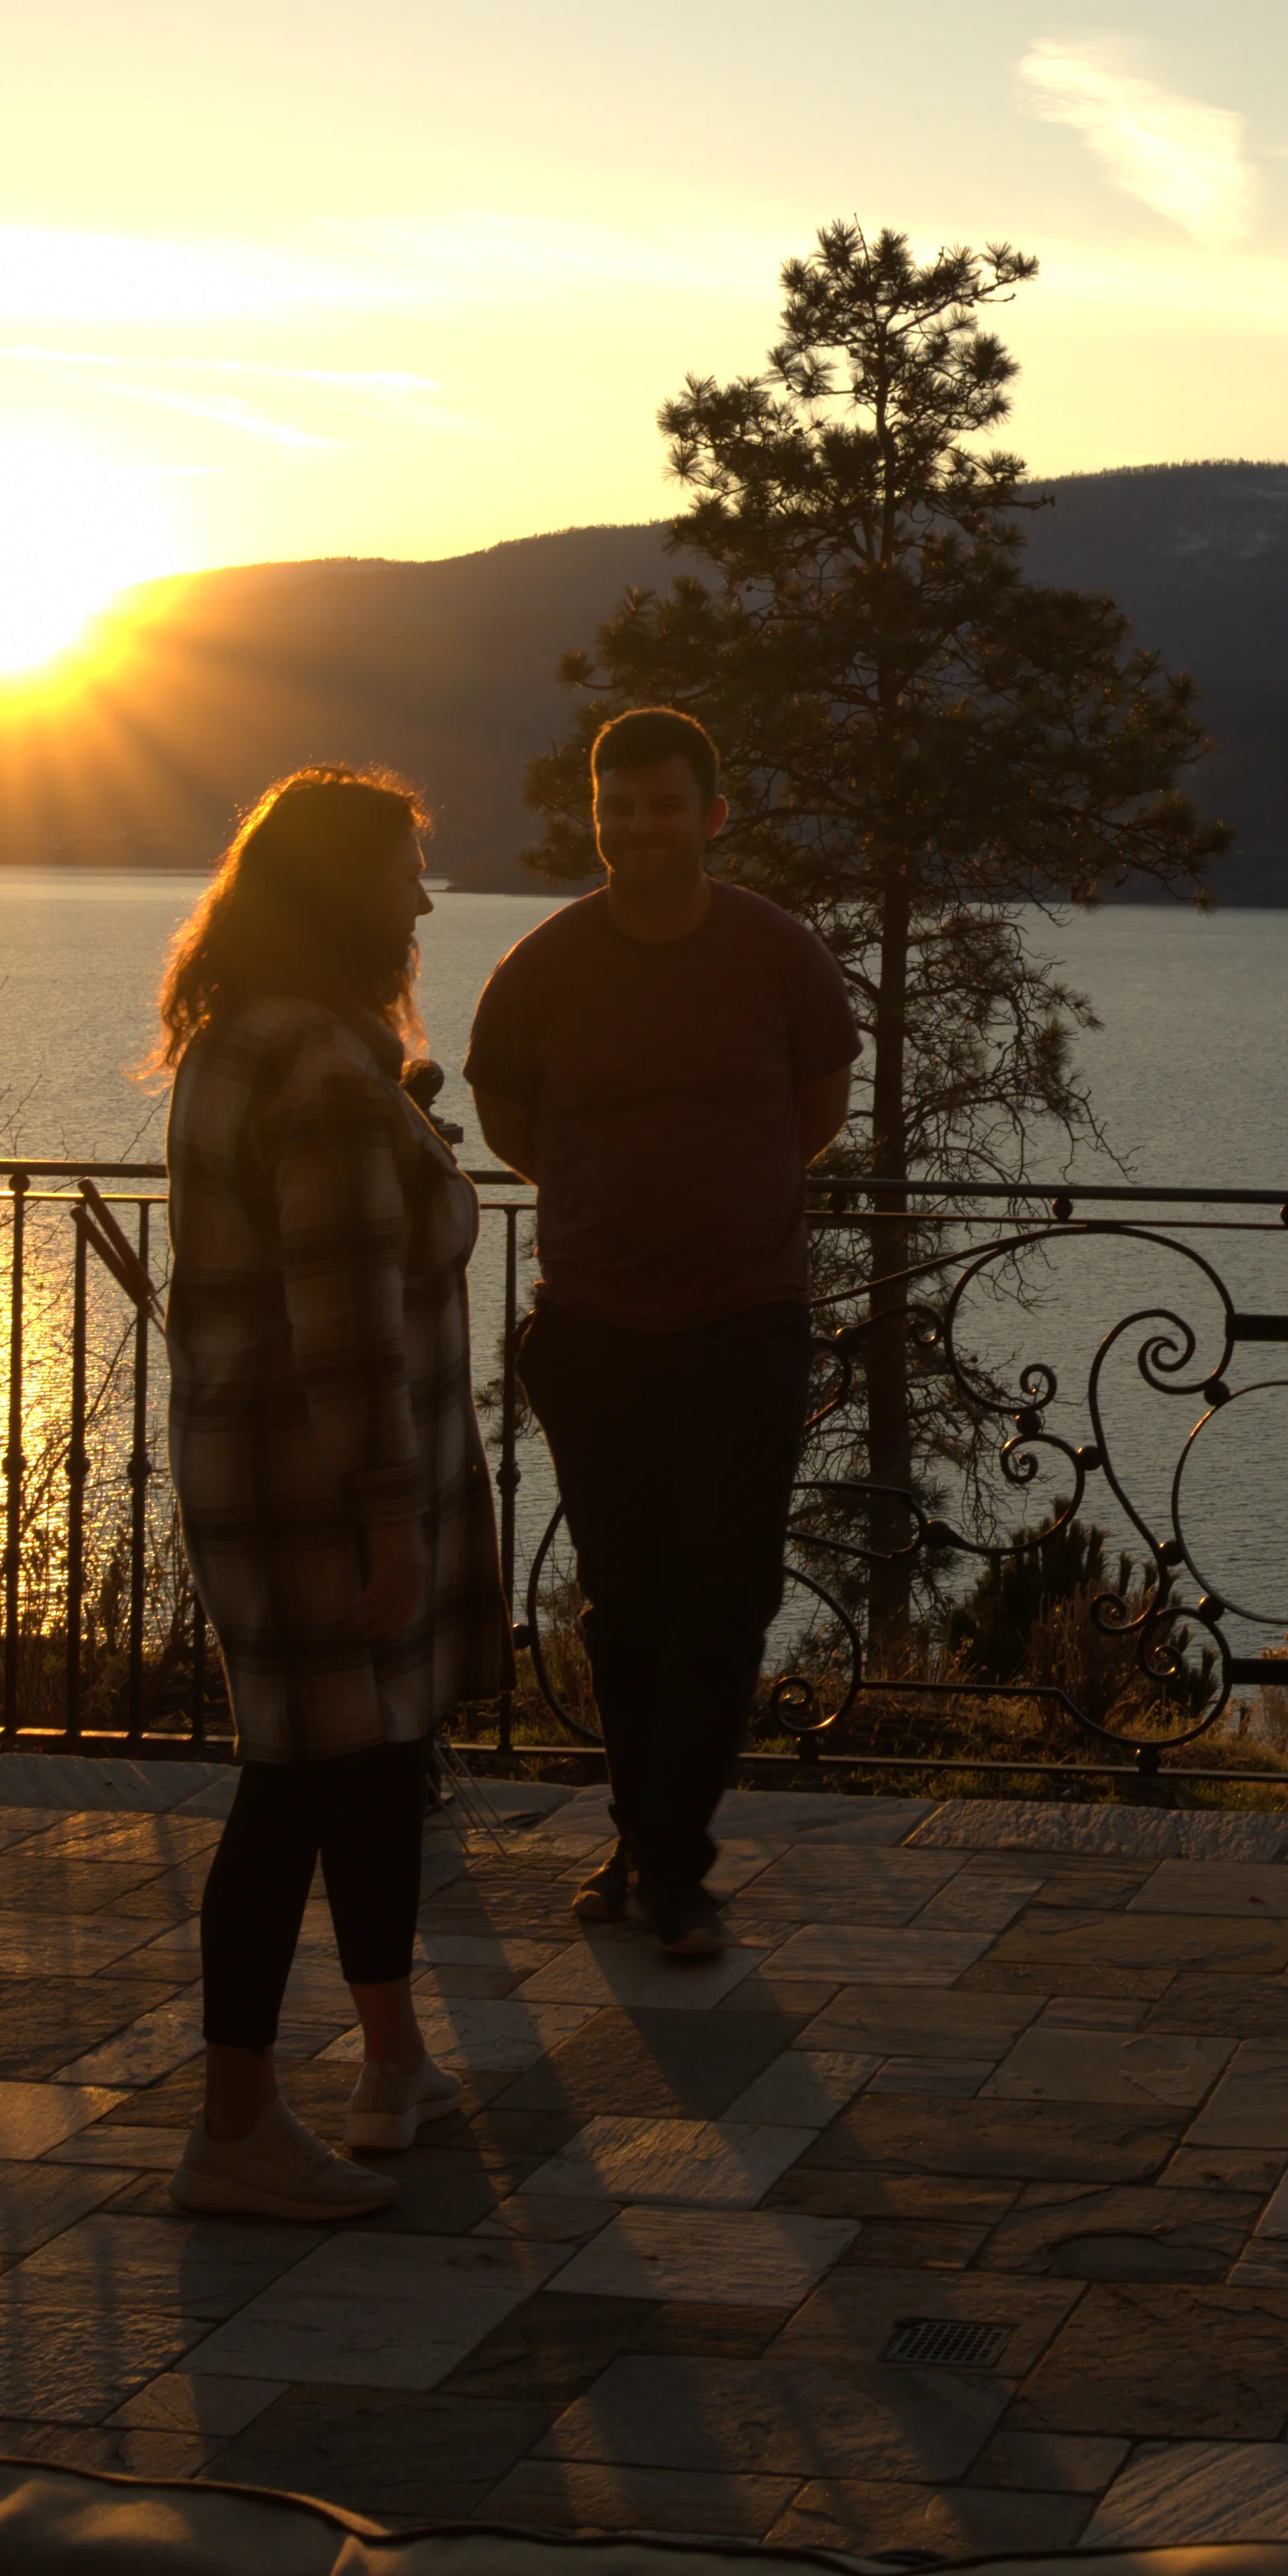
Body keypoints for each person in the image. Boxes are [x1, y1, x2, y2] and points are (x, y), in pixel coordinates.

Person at [153, 769, 496, 2223]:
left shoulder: (240, 1045)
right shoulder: (330, 1077)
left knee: (365, 1765)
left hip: (254, 1465)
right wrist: (385, 1516)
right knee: (293, 1785)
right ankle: (235, 2126)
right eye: (405, 875)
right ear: (350, 894)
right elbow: (345, 1315)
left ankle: (391, 2065)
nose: (424, 902)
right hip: (321, 1488)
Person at [462, 703, 857, 1964]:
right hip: (594, 1329)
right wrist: (617, 1208)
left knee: (725, 1596)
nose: (640, 828)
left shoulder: (777, 954)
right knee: (625, 1604)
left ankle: (670, 1857)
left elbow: (815, 1110)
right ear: (598, 819)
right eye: (619, 807)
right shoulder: (542, 966)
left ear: (712, 815)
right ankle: (649, 1839)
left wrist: (710, 1214)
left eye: (665, 806)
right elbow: (513, 1122)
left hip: (746, 1324)